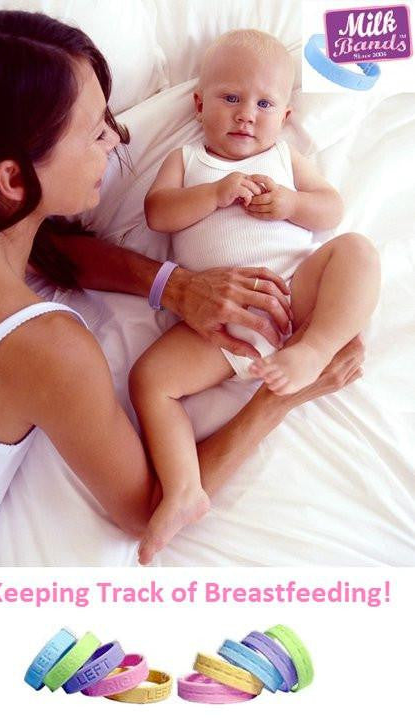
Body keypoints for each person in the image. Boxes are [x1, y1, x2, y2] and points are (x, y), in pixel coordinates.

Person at [0, 10, 364, 557]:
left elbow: (53, 251)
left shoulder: (14, 234)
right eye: (95, 132)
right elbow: (148, 509)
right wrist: (283, 397)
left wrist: (174, 284)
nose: (118, 137)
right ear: (14, 179)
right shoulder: (46, 350)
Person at [130, 29, 380, 564]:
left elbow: (331, 208)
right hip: (218, 327)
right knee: (149, 380)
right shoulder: (187, 160)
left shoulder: (286, 159)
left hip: (291, 294)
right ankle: (184, 490)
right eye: (231, 97)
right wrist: (213, 193)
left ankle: (315, 349)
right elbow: (158, 213)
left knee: (357, 251)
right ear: (199, 104)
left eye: (264, 104)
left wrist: (292, 204)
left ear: (285, 116)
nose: (246, 114)